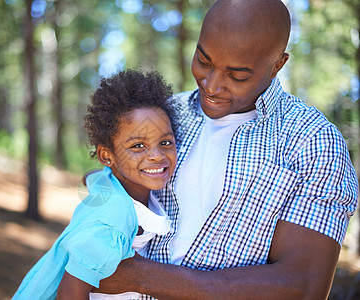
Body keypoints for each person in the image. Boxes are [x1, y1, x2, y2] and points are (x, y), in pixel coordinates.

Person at [93, 0, 359, 299]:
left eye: (237, 75)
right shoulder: (165, 115)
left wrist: (141, 277)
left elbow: (303, 285)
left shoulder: (312, 142)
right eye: (204, 61)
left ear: (277, 66)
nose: (212, 85)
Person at [12, 69, 179, 299]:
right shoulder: (114, 221)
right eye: (138, 146)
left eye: (165, 142)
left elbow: (91, 177)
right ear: (107, 156)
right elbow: (70, 293)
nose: (157, 155)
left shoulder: (107, 180)